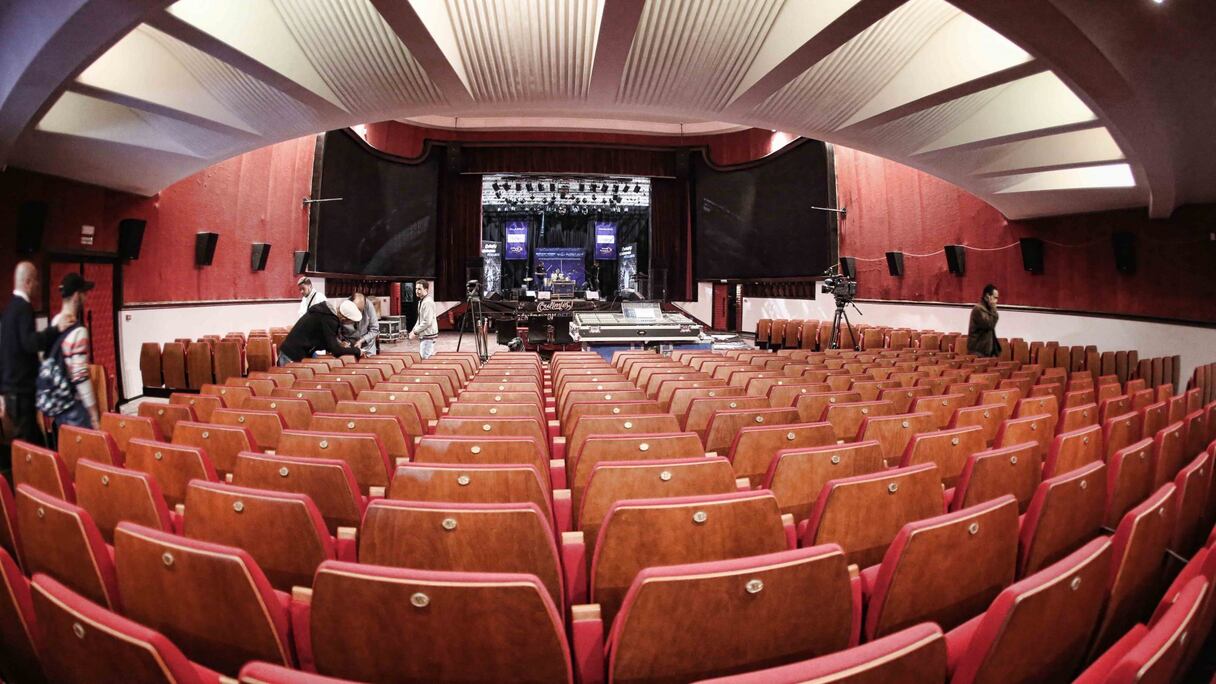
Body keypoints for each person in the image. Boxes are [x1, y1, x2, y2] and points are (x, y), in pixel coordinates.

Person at [0, 262, 70, 460]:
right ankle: (41, 483)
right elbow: (29, 343)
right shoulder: (23, 308)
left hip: (10, 390)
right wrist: (55, 330)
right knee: (33, 446)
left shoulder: (8, 310)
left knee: (26, 443)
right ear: (28, 282)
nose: (39, 285)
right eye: (36, 281)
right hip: (21, 390)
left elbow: (4, 352)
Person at [48, 272, 100, 435]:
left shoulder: (55, 322)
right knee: (86, 455)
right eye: (84, 293)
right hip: (75, 407)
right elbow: (80, 376)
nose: (86, 297)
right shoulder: (78, 331)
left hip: (58, 403)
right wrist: (93, 414)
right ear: (77, 295)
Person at [279, 298, 364, 365]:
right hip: (292, 355)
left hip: (293, 350)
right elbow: (336, 351)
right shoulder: (329, 319)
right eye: (351, 322)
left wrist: (339, 344)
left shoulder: (324, 312)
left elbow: (325, 339)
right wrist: (357, 351)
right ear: (344, 319)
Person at [341, 292, 379, 356]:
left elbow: (375, 330)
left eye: (361, 310)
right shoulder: (344, 307)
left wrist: (362, 340)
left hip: (367, 347)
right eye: (357, 310)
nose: (359, 314)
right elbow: (337, 332)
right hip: (349, 347)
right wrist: (342, 342)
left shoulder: (369, 306)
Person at [967, 284, 1001, 357]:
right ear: (987, 296)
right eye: (995, 298)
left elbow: (992, 323)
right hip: (977, 353)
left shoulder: (989, 310)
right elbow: (989, 325)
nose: (996, 301)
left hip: (987, 353)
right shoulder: (978, 309)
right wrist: (994, 310)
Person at [408, 279, 438, 359]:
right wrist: (413, 330)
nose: (417, 291)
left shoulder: (427, 302)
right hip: (425, 335)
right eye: (416, 289)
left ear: (426, 290)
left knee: (425, 359)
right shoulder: (422, 301)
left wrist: (415, 332)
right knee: (424, 357)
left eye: (419, 289)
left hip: (428, 336)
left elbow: (427, 322)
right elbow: (420, 319)